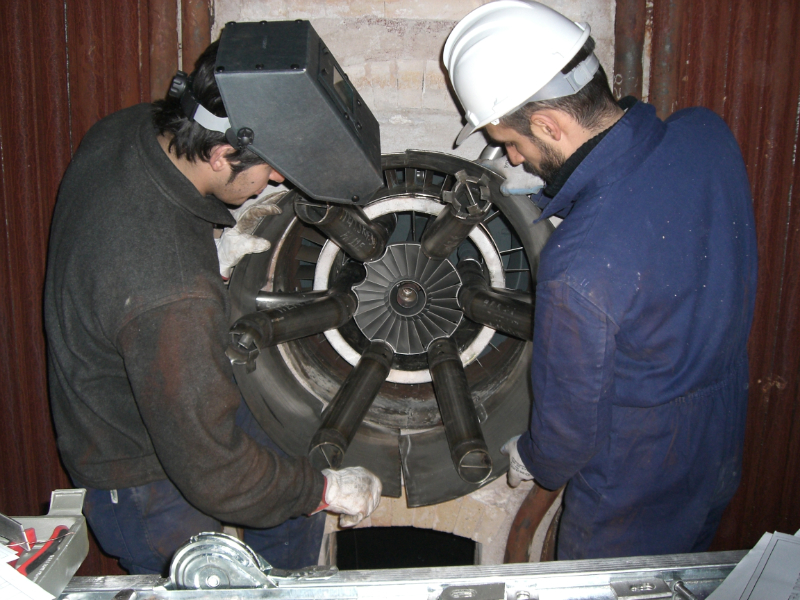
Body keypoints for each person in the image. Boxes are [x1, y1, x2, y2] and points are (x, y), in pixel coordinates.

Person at [44, 32, 381, 575]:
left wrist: (210, 257)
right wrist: (323, 491)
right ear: (223, 154)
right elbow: (216, 472)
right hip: (138, 475)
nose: (277, 179)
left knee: (287, 466)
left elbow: (138, 273)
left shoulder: (128, 129)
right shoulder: (173, 294)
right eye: (272, 167)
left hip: (160, 373)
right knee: (214, 575)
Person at [444, 0, 757, 560]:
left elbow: (569, 436)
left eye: (513, 143)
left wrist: (534, 458)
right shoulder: (706, 134)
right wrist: (562, 193)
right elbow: (651, 214)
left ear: (549, 124)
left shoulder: (578, 265)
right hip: (721, 439)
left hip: (635, 479)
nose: (512, 159)